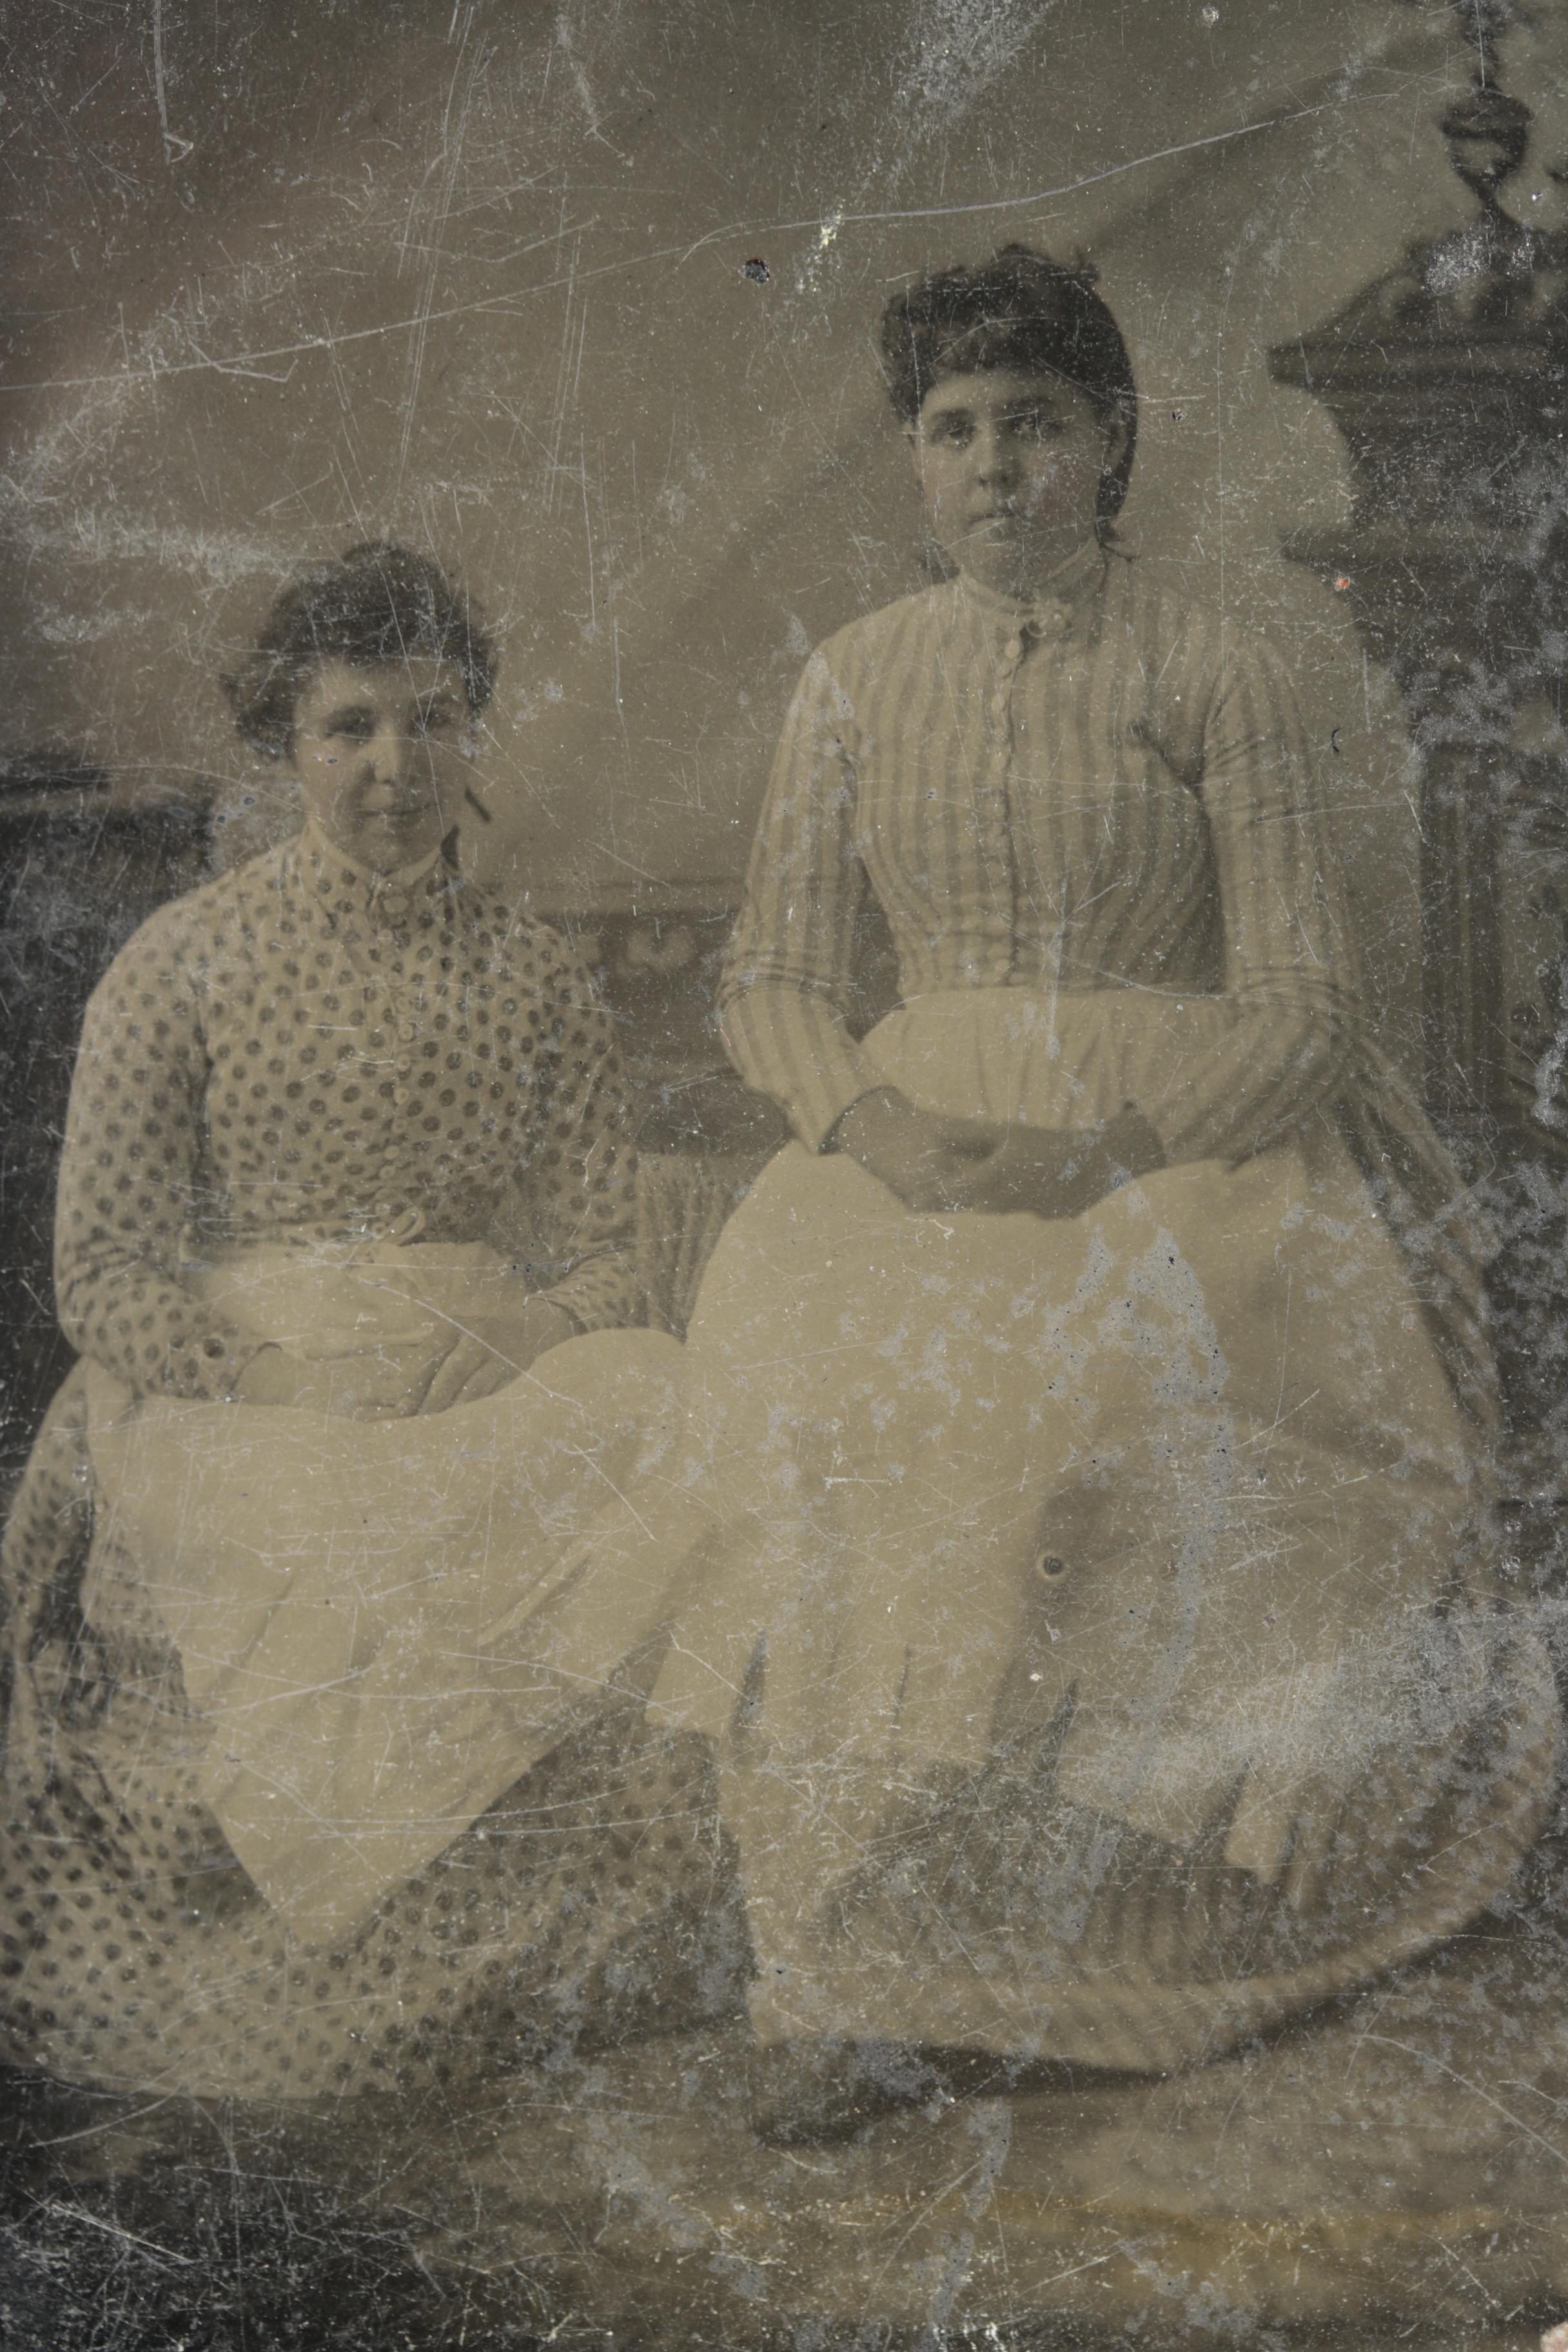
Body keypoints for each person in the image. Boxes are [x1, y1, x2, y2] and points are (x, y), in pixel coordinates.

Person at [0, 543, 741, 2101]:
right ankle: (316, 1996)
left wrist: (502, 1351)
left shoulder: (532, 974)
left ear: (472, 734)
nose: (395, 767)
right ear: (286, 744)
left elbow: (605, 1256)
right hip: (242, 1380)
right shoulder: (180, 962)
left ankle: (578, 1951)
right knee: (334, 1531)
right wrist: (281, 1375)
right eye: (350, 728)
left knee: (675, 1413)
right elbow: (108, 1274)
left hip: (480, 1360)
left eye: (433, 721)